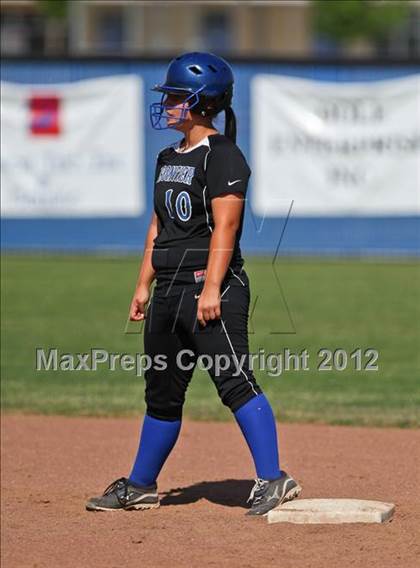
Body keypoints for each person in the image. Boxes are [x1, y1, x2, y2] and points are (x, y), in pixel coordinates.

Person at [86, 52, 301, 516]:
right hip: (167, 290)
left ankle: (273, 479)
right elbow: (158, 226)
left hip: (210, 287)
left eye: (175, 97)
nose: (166, 104)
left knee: (234, 381)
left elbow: (226, 226)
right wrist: (143, 284)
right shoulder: (167, 157)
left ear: (201, 102)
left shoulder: (223, 155)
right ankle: (141, 485)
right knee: (161, 392)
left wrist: (211, 288)